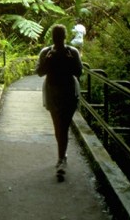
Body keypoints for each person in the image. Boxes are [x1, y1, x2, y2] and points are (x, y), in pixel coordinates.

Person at [36, 24, 83, 177]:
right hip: (52, 92)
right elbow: (39, 73)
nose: (57, 38)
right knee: (59, 126)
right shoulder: (46, 52)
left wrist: (70, 61)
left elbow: (79, 72)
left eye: (59, 35)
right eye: (56, 36)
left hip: (69, 92)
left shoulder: (73, 52)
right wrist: (47, 61)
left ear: (64, 37)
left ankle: (61, 158)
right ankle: (62, 156)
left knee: (63, 126)